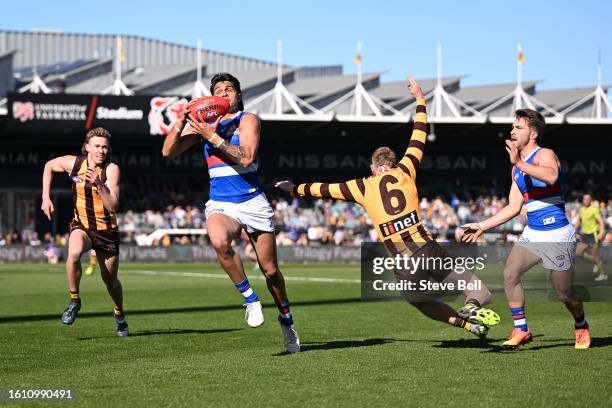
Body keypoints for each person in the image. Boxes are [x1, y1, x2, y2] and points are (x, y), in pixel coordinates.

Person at [276, 77, 500, 339]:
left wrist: (294, 189)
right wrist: (420, 99)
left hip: (402, 263)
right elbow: (419, 134)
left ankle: (465, 325)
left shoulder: (362, 186)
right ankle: (471, 307)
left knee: (419, 301)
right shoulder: (407, 168)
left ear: (373, 168)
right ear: (394, 163)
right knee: (479, 290)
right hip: (427, 250)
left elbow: (323, 189)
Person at [162, 73, 300, 353]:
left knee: (271, 271)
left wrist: (211, 136)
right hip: (221, 203)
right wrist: (180, 122)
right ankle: (250, 299)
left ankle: (286, 319)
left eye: (229, 89)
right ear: (211, 98)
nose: (224, 92)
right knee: (219, 241)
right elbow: (168, 151)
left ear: (238, 95)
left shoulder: (248, 119)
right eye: (218, 89)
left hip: (253, 201)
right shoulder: (203, 123)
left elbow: (247, 157)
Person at [462, 108, 590, 350]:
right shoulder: (516, 168)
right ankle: (522, 329)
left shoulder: (545, 154)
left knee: (563, 293)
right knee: (510, 274)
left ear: (533, 134)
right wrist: (482, 226)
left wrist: (518, 162)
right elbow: (513, 206)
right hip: (533, 233)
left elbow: (551, 177)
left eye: (518, 127)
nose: (512, 131)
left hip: (557, 234)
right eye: (512, 127)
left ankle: (581, 324)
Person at [41, 127, 128, 337]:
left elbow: (113, 205)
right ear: (87, 147)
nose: (101, 150)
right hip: (82, 225)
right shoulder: (75, 163)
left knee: (110, 280)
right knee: (73, 252)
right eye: (97, 146)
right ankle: (74, 300)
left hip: (106, 230)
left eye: (105, 147)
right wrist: (46, 197)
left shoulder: (111, 169)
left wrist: (99, 184)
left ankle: (119, 314)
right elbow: (49, 166)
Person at [574, 193, 607, 281]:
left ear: (590, 200)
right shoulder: (581, 210)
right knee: (578, 252)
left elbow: (601, 222)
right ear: (583, 200)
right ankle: (596, 262)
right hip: (585, 235)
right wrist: (573, 230)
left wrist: (601, 233)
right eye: (584, 199)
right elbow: (578, 222)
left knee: (593, 255)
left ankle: (603, 274)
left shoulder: (594, 209)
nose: (586, 200)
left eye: (588, 199)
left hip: (594, 235)